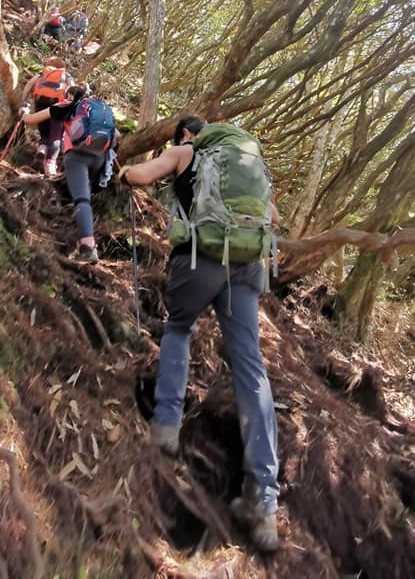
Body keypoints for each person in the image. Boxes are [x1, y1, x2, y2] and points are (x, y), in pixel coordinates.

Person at [118, 116, 281, 552]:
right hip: (247, 268)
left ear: (187, 134)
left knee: (178, 330)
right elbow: (272, 215)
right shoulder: (247, 164)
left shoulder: (186, 152)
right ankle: (263, 503)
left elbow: (140, 175)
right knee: (251, 369)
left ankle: (167, 427)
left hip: (198, 260)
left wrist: (123, 172)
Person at [22, 83, 115, 263]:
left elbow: (30, 119)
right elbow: (116, 135)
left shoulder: (66, 105)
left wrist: (23, 109)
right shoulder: (99, 110)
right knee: (84, 193)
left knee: (82, 199)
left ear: (70, 95)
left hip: (77, 157)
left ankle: (88, 247)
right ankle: (75, 227)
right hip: (100, 158)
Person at [20, 57, 72, 177]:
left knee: (44, 131)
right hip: (57, 106)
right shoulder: (66, 76)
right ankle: (50, 164)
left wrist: (24, 103)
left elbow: (29, 85)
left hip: (40, 103)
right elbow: (72, 91)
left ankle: (42, 148)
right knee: (56, 135)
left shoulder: (42, 74)